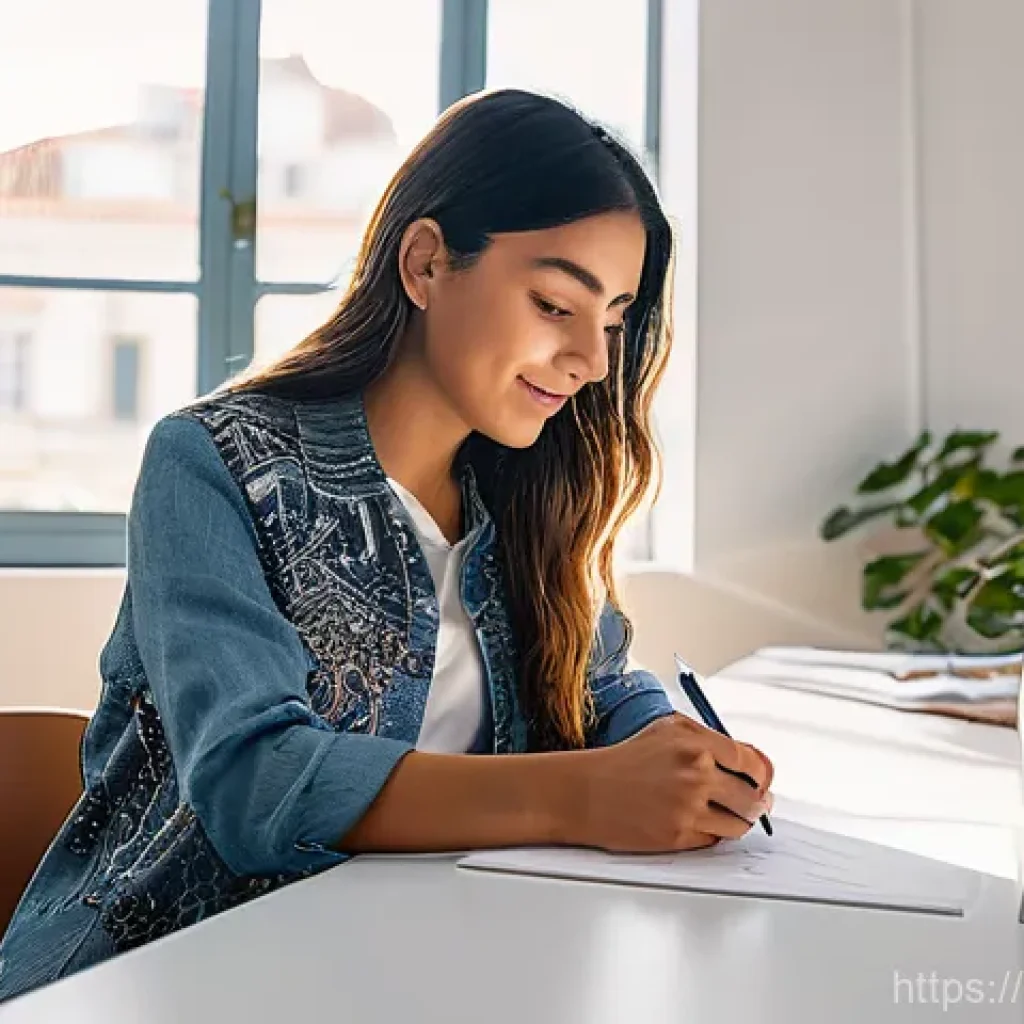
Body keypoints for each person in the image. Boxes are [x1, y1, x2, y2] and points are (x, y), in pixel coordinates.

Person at [0, 88, 773, 1003]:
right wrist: (586, 794)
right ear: (425, 263)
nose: (595, 363)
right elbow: (256, 782)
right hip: (164, 982)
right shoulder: (212, 464)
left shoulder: (525, 495)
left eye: (611, 321)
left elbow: (601, 681)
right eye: (555, 304)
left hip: (418, 972)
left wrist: (669, 750)